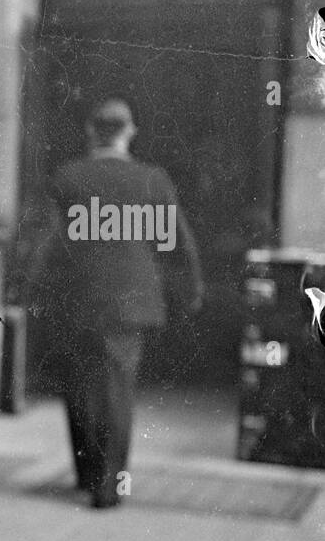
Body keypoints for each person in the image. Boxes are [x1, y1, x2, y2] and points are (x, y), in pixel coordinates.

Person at [28, 96, 204, 508]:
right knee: (116, 390)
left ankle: (86, 474)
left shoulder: (69, 178)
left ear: (92, 131)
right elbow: (177, 241)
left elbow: (47, 243)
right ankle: (108, 487)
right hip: (131, 303)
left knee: (78, 385)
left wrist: (33, 289)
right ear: (129, 132)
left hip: (75, 299)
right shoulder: (152, 180)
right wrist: (191, 288)